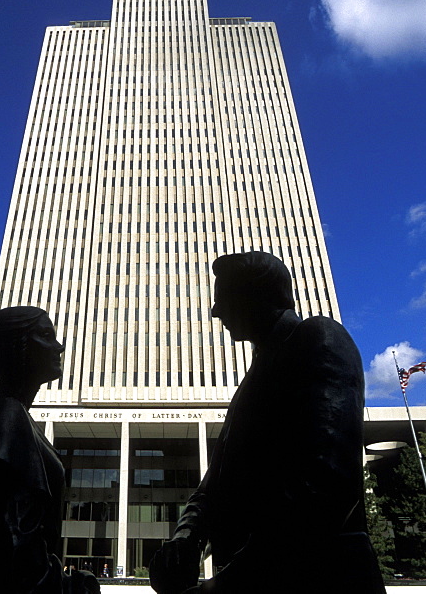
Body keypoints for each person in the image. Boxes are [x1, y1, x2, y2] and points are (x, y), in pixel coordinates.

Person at [149, 252, 386, 594]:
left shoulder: (318, 337)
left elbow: (324, 481)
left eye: (225, 299)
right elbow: (214, 482)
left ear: (256, 295)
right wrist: (187, 538)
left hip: (319, 579)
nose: (216, 311)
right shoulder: (251, 380)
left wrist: (233, 581)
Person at [0, 307, 99, 594]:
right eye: (46, 335)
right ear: (17, 346)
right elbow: (15, 541)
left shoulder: (8, 414)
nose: (58, 346)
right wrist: (70, 587)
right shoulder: (6, 417)